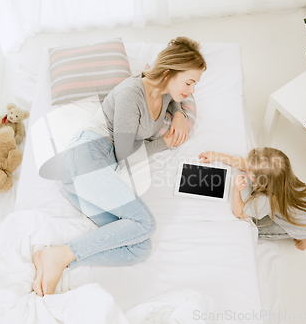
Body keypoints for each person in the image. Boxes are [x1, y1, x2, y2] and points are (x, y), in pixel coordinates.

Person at [32, 37, 207, 296]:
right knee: (145, 224)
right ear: (169, 72)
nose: (192, 90)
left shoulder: (165, 92)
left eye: (195, 84)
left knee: (139, 248)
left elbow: (171, 97)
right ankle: (60, 255)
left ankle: (58, 258)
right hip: (86, 157)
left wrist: (180, 111)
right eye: (189, 82)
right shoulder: (131, 93)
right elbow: (124, 154)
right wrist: (164, 144)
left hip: (93, 177)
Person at [199, 147, 306, 250]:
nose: (246, 170)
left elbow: (239, 212)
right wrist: (217, 156)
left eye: (249, 172)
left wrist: (236, 191)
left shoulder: (265, 200)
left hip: (303, 228)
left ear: (263, 182)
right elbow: (245, 164)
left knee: (251, 228)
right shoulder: (282, 176)